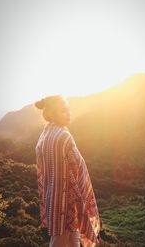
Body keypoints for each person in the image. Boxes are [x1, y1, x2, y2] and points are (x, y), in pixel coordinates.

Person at [34, 94, 101, 247]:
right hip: (67, 201)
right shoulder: (63, 136)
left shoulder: (45, 135)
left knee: (70, 240)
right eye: (63, 110)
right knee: (61, 242)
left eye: (68, 109)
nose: (68, 113)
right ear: (51, 113)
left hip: (53, 199)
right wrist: (83, 198)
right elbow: (78, 167)